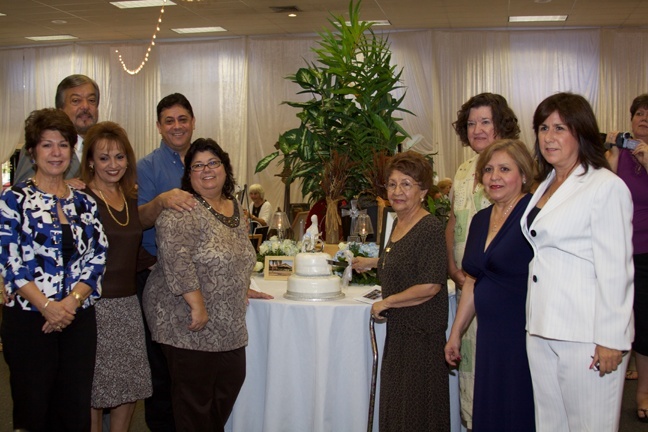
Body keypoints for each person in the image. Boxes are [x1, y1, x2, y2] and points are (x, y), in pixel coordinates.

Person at [521, 92, 634, 432]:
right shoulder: (546, 185)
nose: (548, 137)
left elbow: (616, 269)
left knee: (590, 426)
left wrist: (612, 338)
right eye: (543, 128)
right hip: (542, 326)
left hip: (586, 334)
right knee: (551, 424)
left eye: (560, 128)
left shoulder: (604, 187)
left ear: (581, 133)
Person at [0, 108, 108, 431]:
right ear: (33, 151)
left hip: (77, 320)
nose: (56, 153)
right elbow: (10, 261)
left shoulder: (84, 202)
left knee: (75, 409)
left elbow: (99, 256)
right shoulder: (13, 201)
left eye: (63, 144)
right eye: (47, 145)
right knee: (33, 409)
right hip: (29, 321)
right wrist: (47, 307)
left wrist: (69, 304)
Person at [143, 138, 256, 431]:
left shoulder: (235, 207)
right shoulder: (183, 207)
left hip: (228, 323)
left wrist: (241, 284)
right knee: (194, 405)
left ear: (225, 168)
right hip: (187, 319)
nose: (207, 170)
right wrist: (196, 305)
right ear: (189, 175)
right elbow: (175, 258)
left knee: (228, 387)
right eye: (198, 165)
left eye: (213, 162)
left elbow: (240, 252)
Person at [353, 151, 449, 431]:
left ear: (423, 191)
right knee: (398, 408)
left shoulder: (429, 227)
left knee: (417, 410)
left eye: (406, 184)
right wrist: (372, 262)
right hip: (400, 333)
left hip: (421, 336)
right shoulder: (398, 221)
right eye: (392, 184)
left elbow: (430, 285)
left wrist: (387, 302)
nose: (397, 191)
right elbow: (402, 258)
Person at [445, 139, 535, 432]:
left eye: (504, 169)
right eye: (488, 170)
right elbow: (472, 280)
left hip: (524, 336)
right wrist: (455, 333)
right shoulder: (481, 219)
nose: (494, 177)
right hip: (489, 337)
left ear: (523, 174)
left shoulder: (534, 216)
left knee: (520, 413)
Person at [80, 122, 154, 431]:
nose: (113, 165)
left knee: (129, 384)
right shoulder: (81, 198)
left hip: (127, 306)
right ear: (91, 163)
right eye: (105, 158)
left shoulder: (132, 199)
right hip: (92, 307)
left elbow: (135, 252)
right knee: (93, 389)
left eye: (120, 157)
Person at [604, 93, 648, 422]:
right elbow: (604, 189)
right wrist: (610, 150)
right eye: (639, 114)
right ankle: (611, 392)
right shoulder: (619, 150)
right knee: (618, 319)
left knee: (645, 323)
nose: (643, 119)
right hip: (618, 249)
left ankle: (644, 391)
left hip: (647, 251)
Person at [14, 74, 100, 183]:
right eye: (76, 101)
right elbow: (21, 191)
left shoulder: (101, 146)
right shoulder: (40, 146)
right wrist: (62, 187)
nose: (85, 106)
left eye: (91, 100)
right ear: (60, 110)